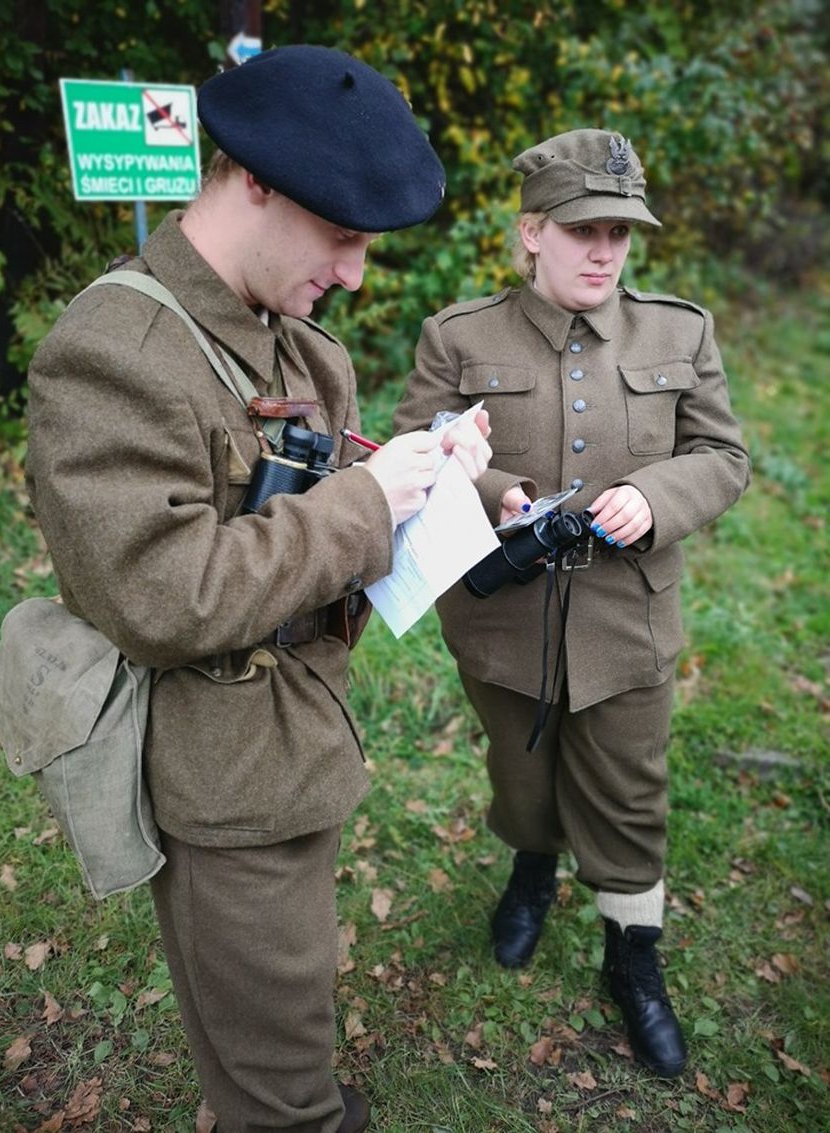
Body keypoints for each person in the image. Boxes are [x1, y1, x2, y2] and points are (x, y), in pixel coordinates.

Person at [26, 46, 491, 1133]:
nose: (358, 274)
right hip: (221, 773)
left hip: (299, 739)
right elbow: (159, 596)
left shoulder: (306, 354)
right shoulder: (114, 352)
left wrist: (424, 488)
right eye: (343, 236)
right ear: (255, 182)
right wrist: (363, 504)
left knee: (275, 1000)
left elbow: (325, 554)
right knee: (272, 1042)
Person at [393, 128, 750, 1079]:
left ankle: (632, 954)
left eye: (619, 233)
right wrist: (494, 489)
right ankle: (531, 869)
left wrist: (658, 498)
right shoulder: (459, 336)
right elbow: (411, 450)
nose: (604, 251)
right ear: (531, 233)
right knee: (521, 776)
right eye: (583, 229)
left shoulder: (679, 332)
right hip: (504, 619)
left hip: (628, 618)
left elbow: (723, 456)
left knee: (630, 790)